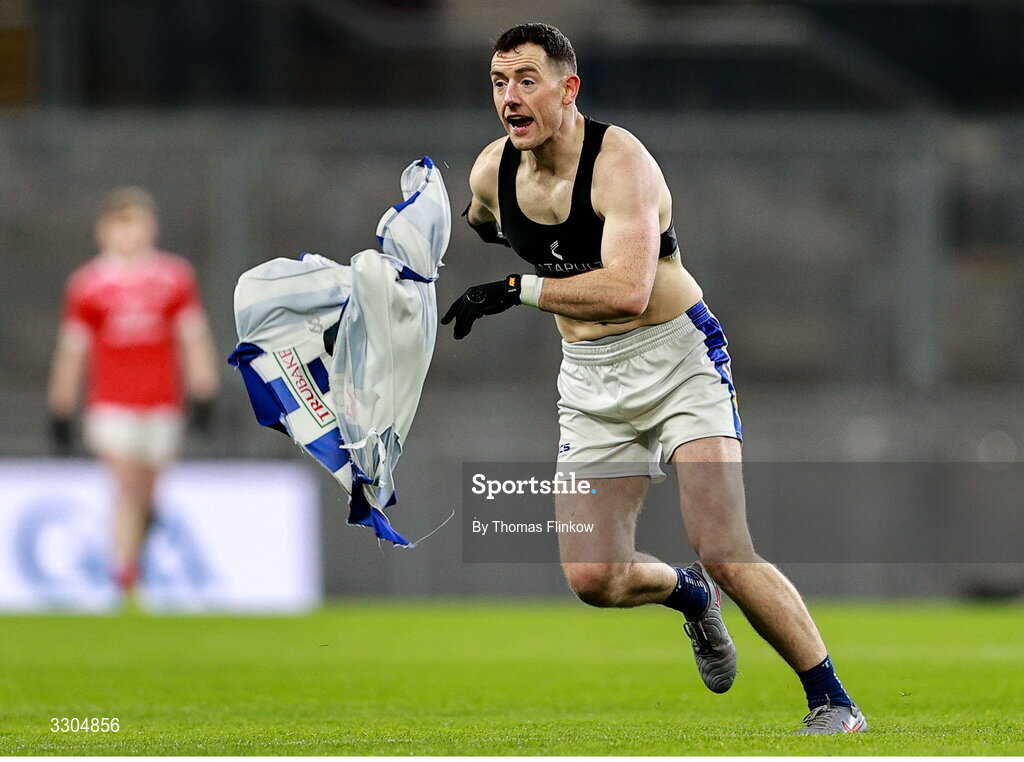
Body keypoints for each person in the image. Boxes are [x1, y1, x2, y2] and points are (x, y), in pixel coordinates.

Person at [442, 23, 867, 734]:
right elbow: (481, 221)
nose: (509, 97)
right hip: (589, 381)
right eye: (497, 82)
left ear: (567, 88)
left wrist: (517, 288)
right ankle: (690, 599)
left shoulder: (621, 164)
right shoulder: (491, 172)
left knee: (725, 549)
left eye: (526, 80)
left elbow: (628, 292)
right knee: (594, 581)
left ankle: (833, 701)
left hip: (676, 361)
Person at [47, 187, 219, 598]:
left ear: (151, 228)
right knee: (125, 486)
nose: (128, 236)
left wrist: (204, 390)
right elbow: (73, 351)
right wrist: (61, 405)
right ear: (103, 232)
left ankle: (134, 564)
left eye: (136, 224)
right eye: (119, 226)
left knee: (149, 492)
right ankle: (123, 574)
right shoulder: (88, 285)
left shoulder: (174, 278)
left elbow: (193, 338)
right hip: (111, 405)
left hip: (162, 403)